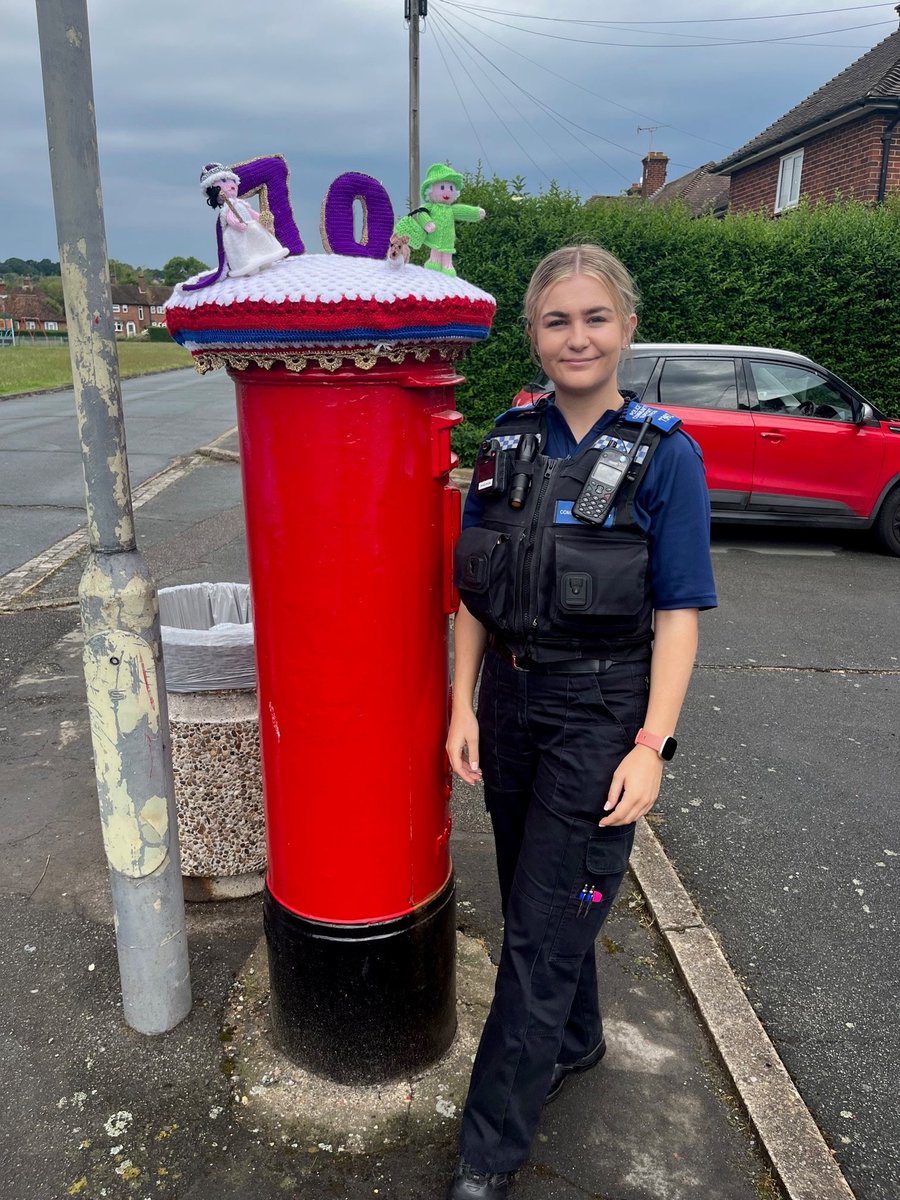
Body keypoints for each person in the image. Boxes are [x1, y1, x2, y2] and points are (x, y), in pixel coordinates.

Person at [445, 244, 717, 1199]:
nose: (577, 336)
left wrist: (652, 746)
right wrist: (461, 707)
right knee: (544, 903)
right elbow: (474, 589)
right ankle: (581, 1038)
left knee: (536, 935)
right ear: (534, 334)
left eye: (594, 318)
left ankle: (489, 1151)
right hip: (510, 705)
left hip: (600, 714)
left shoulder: (665, 455)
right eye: (557, 321)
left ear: (626, 328)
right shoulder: (508, 438)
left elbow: (679, 612)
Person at [199, 162, 289, 278]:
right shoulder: (228, 206)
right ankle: (248, 266)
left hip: (251, 228)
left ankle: (265, 258)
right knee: (244, 249)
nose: (231, 185)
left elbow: (251, 213)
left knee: (259, 243)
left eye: (231, 181)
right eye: (224, 181)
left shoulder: (240, 203)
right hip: (238, 233)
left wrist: (260, 218)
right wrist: (236, 224)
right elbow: (229, 217)